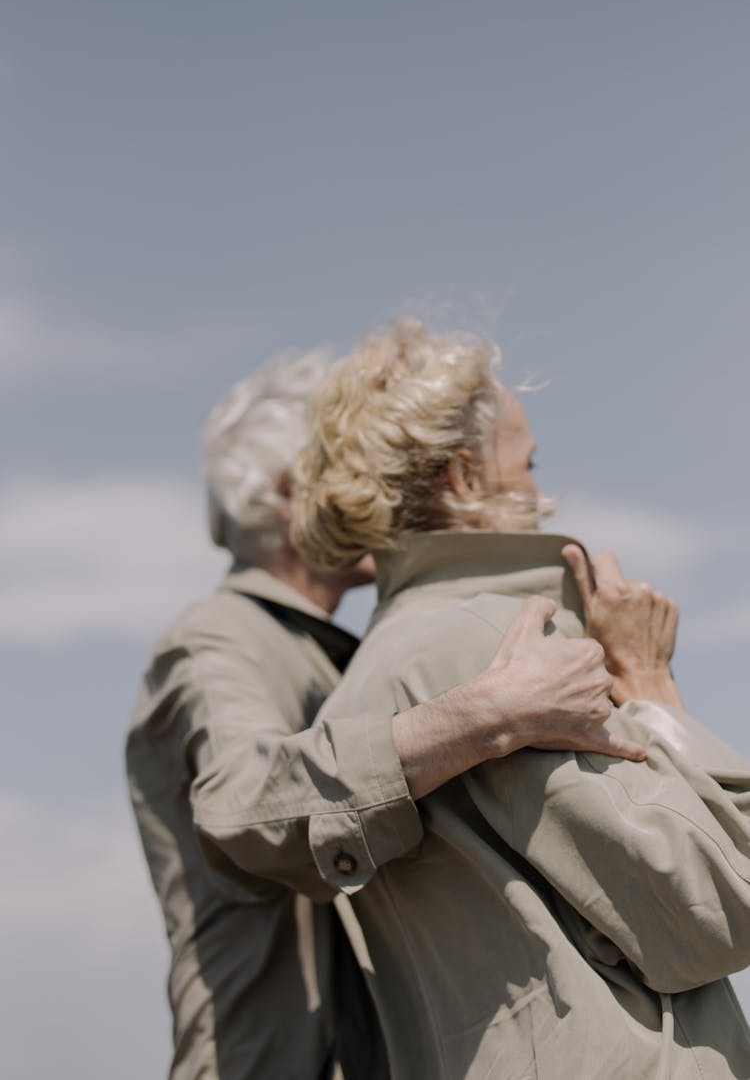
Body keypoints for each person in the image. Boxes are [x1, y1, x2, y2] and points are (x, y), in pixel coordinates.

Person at [126, 349, 643, 1080]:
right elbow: (241, 804)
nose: (387, 485)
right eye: (354, 465)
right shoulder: (219, 637)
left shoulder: (347, 647)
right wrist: (486, 713)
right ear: (286, 492)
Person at [286, 319, 750, 1080]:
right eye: (528, 462)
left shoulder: (366, 681)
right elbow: (716, 905)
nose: (539, 492)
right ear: (465, 479)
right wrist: (651, 685)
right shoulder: (509, 648)